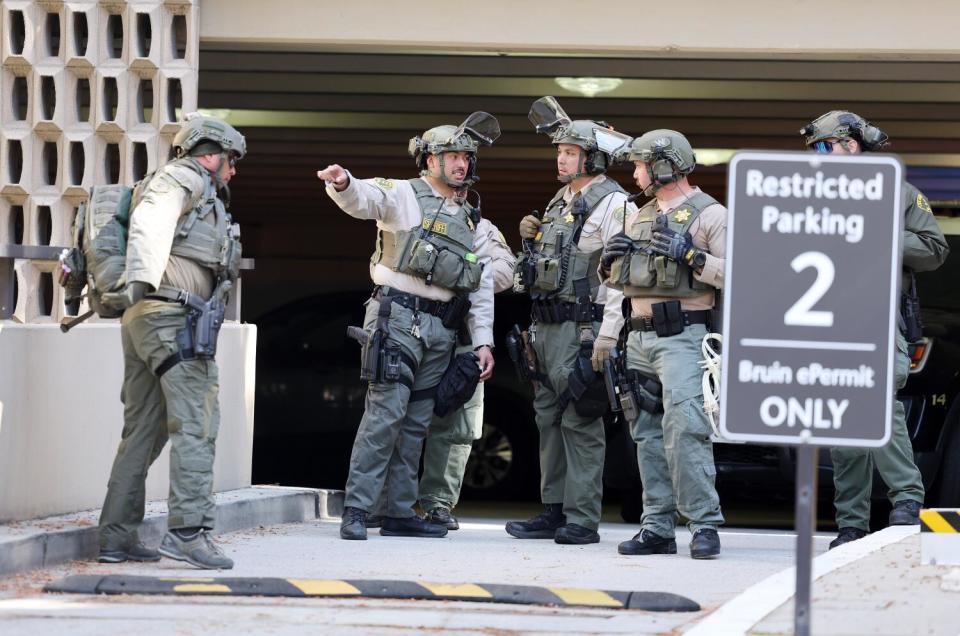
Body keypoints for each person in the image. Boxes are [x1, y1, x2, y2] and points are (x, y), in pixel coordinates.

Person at [318, 113, 499, 541]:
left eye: (466, 157)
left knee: (417, 423)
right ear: (429, 160)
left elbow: (482, 285)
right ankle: (359, 509)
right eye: (452, 156)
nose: (461, 164)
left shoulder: (472, 218)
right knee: (385, 415)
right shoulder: (402, 193)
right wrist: (342, 182)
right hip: (395, 318)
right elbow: (363, 198)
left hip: (442, 328)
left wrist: (484, 342)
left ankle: (400, 511)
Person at [97, 114, 246, 570]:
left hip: (147, 317)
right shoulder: (183, 177)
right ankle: (188, 532)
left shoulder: (188, 184)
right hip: (170, 317)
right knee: (198, 423)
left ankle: (116, 538)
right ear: (210, 154)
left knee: (143, 431)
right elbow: (151, 220)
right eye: (231, 161)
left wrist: (137, 293)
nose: (233, 171)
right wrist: (140, 281)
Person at [799, 110, 949, 549]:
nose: (820, 158)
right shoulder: (811, 198)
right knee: (843, 421)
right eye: (815, 152)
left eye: (826, 147)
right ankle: (851, 522)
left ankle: (906, 498)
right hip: (829, 320)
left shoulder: (898, 194)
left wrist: (877, 229)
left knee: (879, 403)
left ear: (851, 146)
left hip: (878, 317)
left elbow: (933, 250)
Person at [504, 97, 629, 545]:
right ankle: (553, 509)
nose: (561, 158)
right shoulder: (561, 201)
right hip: (547, 328)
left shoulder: (614, 203)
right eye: (560, 151)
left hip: (583, 329)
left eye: (570, 152)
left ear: (592, 157)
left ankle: (581, 519)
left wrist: (609, 335)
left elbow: (619, 278)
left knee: (581, 420)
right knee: (548, 419)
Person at [602, 129, 725, 559]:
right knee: (647, 434)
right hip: (637, 336)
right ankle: (656, 526)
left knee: (685, 429)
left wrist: (691, 255)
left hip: (683, 336)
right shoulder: (638, 215)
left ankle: (704, 524)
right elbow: (625, 280)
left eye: (639, 165)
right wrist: (606, 264)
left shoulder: (712, 215)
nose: (634, 174)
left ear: (664, 166)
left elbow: (741, 275)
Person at [417, 219, 516, 529]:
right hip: (418, 330)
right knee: (403, 420)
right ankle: (389, 502)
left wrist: (466, 274)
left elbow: (505, 272)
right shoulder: (415, 208)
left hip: (463, 335)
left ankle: (438, 502)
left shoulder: (480, 224)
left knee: (460, 426)